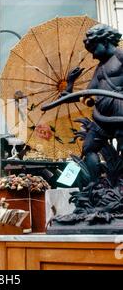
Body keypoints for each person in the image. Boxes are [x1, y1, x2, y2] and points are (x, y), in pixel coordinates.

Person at [55, 24, 123, 182]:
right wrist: (71, 82)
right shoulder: (99, 69)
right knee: (89, 147)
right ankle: (95, 187)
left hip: (120, 115)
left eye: (93, 49)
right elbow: (84, 96)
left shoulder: (120, 55)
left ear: (104, 42)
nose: (92, 56)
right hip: (102, 119)